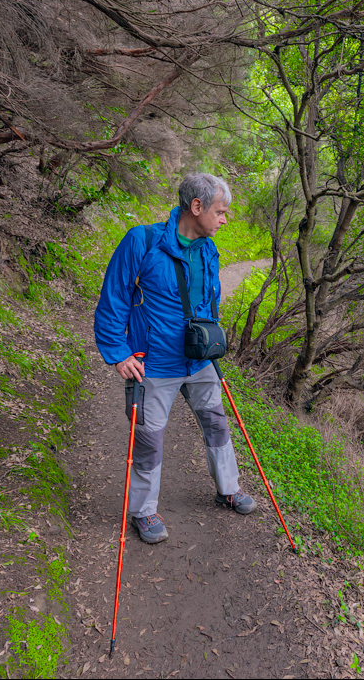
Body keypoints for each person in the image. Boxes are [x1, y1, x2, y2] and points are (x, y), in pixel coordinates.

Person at [93, 173, 256, 544]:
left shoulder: (208, 249)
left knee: (217, 423)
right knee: (148, 440)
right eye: (221, 211)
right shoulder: (142, 242)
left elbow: (206, 304)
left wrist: (211, 346)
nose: (225, 219)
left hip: (199, 363)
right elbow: (113, 300)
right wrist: (119, 355)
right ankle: (143, 511)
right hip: (154, 366)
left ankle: (228, 488)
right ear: (196, 207)